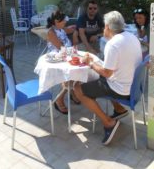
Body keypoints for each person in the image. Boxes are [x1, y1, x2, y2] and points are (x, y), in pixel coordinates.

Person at [73, 11, 142, 145]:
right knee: (96, 77)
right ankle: (119, 109)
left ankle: (108, 122)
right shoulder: (131, 36)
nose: (103, 28)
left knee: (78, 88)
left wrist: (90, 63)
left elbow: (106, 73)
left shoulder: (112, 44)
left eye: (104, 26)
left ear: (109, 27)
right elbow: (114, 67)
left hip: (121, 89)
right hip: (133, 86)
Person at [46, 10, 79, 114]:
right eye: (63, 22)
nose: (65, 23)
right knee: (70, 75)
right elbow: (61, 48)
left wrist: (74, 28)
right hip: (58, 58)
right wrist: (74, 49)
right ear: (56, 21)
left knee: (78, 72)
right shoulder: (51, 32)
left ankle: (73, 93)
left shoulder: (60, 28)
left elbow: (69, 30)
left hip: (66, 55)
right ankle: (59, 100)